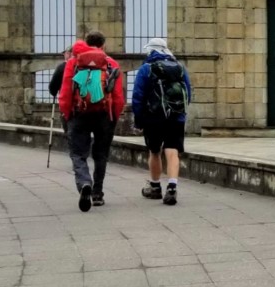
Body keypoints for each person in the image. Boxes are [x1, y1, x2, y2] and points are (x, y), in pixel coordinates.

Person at [56, 31, 125, 212]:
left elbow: (65, 93)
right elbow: (118, 96)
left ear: (86, 43)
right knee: (101, 155)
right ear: (103, 45)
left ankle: (84, 183)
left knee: (78, 153)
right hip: (104, 115)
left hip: (79, 113)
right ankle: (97, 194)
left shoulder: (73, 62)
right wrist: (114, 116)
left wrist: (67, 114)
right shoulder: (110, 63)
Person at [131, 37, 191, 206]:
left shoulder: (146, 69)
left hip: (153, 117)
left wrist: (139, 118)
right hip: (176, 117)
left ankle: (155, 187)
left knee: (155, 151)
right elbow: (188, 93)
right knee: (172, 151)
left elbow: (138, 96)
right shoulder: (179, 67)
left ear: (150, 51)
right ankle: (172, 187)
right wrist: (180, 112)